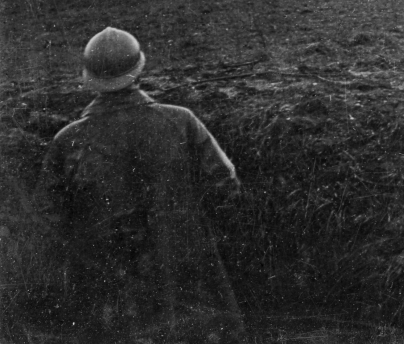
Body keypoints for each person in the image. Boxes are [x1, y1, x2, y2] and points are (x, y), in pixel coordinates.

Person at [37, 27, 248, 343]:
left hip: (108, 291)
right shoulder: (182, 121)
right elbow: (225, 188)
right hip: (186, 282)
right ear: (139, 70)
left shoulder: (68, 140)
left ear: (89, 77)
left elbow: (47, 219)